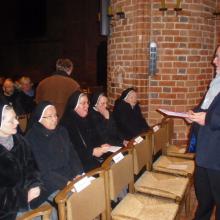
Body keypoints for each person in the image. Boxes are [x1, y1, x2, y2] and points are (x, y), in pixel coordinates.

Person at [25, 101, 84, 207]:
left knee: (92, 189)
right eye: (49, 116)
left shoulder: (62, 131)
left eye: (55, 115)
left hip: (70, 176)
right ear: (39, 119)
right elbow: (43, 171)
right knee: (76, 201)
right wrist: (67, 183)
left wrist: (79, 173)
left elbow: (72, 154)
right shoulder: (32, 138)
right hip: (49, 183)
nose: (55, 119)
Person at [188, 45, 220, 220]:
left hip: (217, 157)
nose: (213, 61)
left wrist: (206, 119)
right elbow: (205, 108)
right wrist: (193, 114)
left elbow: (210, 116)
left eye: (217, 57)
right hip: (204, 153)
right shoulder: (215, 83)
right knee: (204, 201)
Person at [0, 104, 42, 220]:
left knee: (51, 213)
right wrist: (24, 197)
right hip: (7, 211)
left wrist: (35, 184)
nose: (17, 123)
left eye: (16, 117)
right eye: (10, 121)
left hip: (30, 197)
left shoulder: (21, 141)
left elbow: (32, 168)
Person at [60, 91, 110, 172]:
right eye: (83, 103)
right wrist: (91, 152)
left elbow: (95, 135)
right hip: (78, 164)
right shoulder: (67, 124)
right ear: (75, 106)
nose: (87, 106)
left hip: (91, 158)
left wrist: (101, 143)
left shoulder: (87, 117)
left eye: (87, 103)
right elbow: (70, 151)